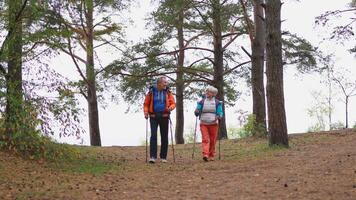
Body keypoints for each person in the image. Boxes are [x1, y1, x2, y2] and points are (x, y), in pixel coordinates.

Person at [144, 77, 176, 163]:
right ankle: (152, 157)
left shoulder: (168, 92)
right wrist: (146, 112)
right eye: (164, 83)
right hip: (153, 116)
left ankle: (163, 157)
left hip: (165, 116)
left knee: (164, 137)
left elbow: (173, 103)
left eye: (166, 83)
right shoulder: (151, 92)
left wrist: (171, 108)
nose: (166, 84)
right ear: (159, 84)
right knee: (153, 136)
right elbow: (146, 104)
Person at [194, 86, 223, 162]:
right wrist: (196, 111)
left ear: (213, 94)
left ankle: (211, 155)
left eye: (209, 92)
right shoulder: (202, 101)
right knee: (205, 139)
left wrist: (219, 115)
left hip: (214, 124)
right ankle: (205, 154)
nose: (207, 93)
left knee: (213, 140)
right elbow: (198, 108)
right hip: (204, 123)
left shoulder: (217, 102)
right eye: (206, 91)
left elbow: (220, 112)